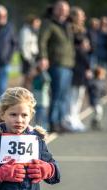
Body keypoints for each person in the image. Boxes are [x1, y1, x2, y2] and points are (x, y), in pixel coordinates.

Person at [38, 0, 75, 133]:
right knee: (56, 94)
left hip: (68, 63)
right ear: (54, 9)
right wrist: (43, 57)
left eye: (65, 9)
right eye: (60, 8)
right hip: (57, 63)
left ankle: (61, 120)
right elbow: (42, 41)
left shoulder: (68, 24)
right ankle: (53, 122)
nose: (63, 11)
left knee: (64, 95)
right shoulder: (49, 23)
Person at [19, 14, 41, 88]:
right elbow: (24, 45)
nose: (38, 24)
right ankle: (24, 93)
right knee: (28, 77)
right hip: (28, 58)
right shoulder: (25, 31)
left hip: (33, 56)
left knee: (31, 77)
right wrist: (28, 59)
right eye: (36, 22)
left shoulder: (34, 31)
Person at [87, 66, 107, 130]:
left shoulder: (102, 82)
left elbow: (103, 90)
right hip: (94, 100)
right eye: (102, 75)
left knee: (100, 113)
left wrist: (104, 93)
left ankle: (96, 123)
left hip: (99, 100)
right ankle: (95, 122)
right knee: (98, 112)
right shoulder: (93, 82)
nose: (103, 76)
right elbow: (89, 88)